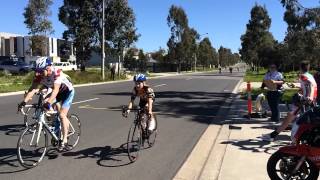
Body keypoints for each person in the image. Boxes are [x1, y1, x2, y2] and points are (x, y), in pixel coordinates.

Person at [18, 57, 75, 151]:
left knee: (61, 115)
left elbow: (55, 91)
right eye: (36, 70)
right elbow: (33, 89)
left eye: (40, 71)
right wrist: (24, 102)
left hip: (67, 92)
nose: (37, 73)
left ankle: (64, 140)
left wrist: (48, 103)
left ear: (48, 68)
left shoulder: (56, 73)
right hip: (55, 91)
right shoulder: (39, 75)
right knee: (45, 105)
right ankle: (56, 126)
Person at [262, 61, 317, 142]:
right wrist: (297, 87)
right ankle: (274, 135)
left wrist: (309, 96)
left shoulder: (303, 76)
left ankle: (273, 136)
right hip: (309, 102)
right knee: (294, 119)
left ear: (300, 68)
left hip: (304, 102)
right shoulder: (310, 76)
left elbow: (310, 85)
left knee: (289, 118)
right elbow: (307, 86)